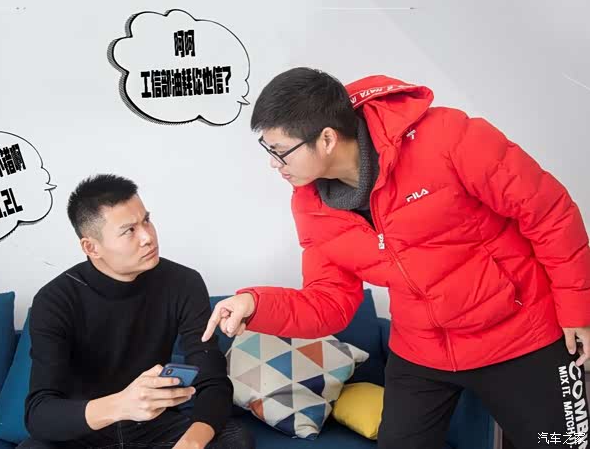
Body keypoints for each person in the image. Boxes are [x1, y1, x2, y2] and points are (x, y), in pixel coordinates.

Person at [202, 68, 590, 449]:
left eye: (280, 151)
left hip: (520, 334)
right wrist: (255, 304)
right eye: (268, 149)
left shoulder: (447, 136)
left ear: (327, 139)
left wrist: (577, 309)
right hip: (421, 349)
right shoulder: (311, 206)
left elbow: (549, 213)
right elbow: (330, 302)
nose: (274, 163)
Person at [18, 174, 253, 449]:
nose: (147, 237)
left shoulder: (183, 283)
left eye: (146, 220)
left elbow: (212, 380)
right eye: (129, 230)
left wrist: (192, 443)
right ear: (91, 247)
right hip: (86, 431)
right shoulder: (55, 300)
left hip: (154, 427)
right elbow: (39, 414)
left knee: (234, 438)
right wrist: (121, 405)